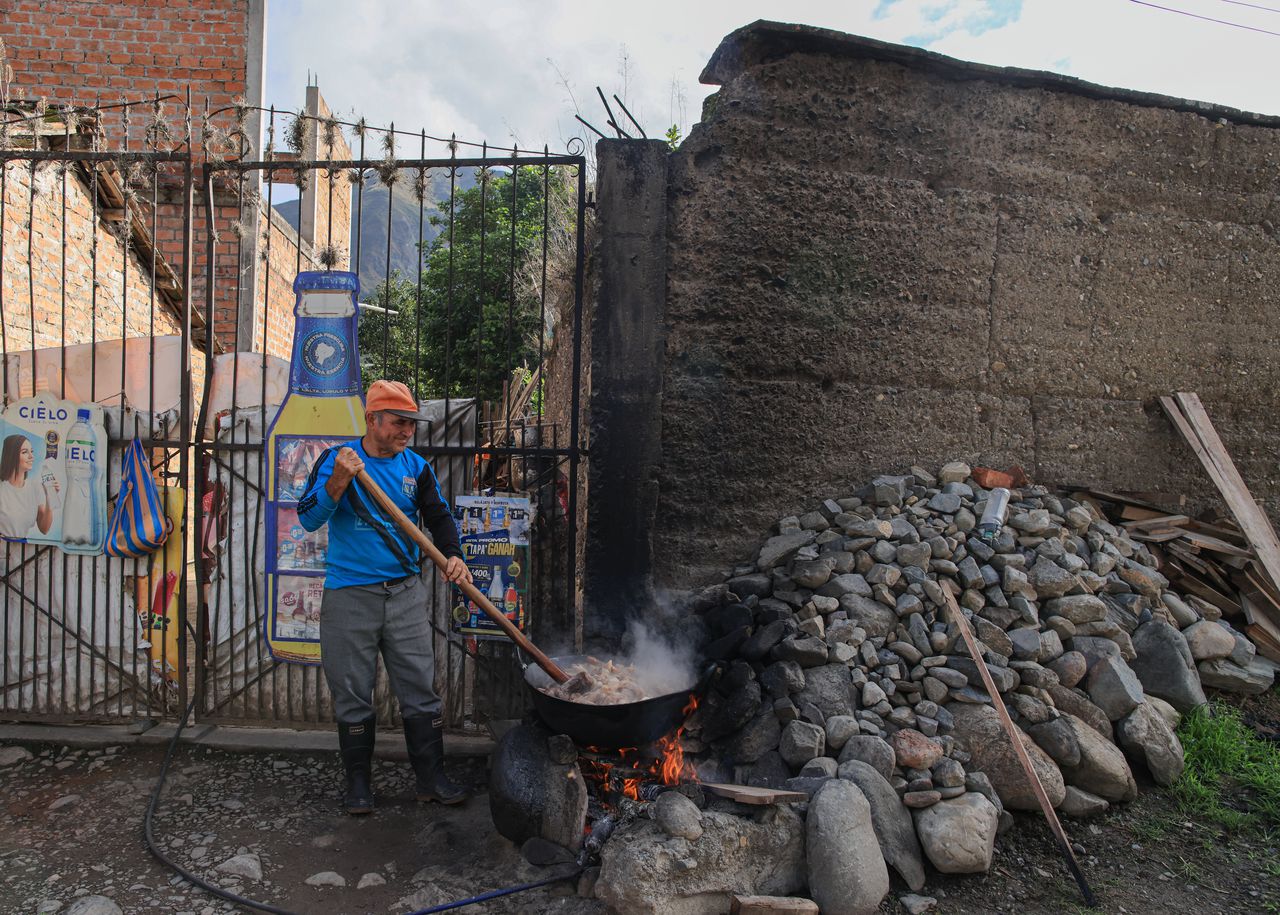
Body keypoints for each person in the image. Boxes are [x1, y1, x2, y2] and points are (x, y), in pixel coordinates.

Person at [297, 380, 473, 814]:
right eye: (398, 422)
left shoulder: (416, 468)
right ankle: (358, 785)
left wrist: (453, 554)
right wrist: (338, 480)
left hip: (405, 595)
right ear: (372, 420)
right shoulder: (336, 462)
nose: (407, 431)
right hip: (349, 595)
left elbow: (439, 516)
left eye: (411, 424)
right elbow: (307, 518)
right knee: (353, 691)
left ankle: (430, 778)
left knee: (419, 688)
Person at [0, 434, 58, 538]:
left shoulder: (34, 487)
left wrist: (49, 497)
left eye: (31, 451)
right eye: (25, 452)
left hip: (24, 553)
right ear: (11, 455)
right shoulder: (2, 489)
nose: (31, 456)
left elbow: (44, 529)